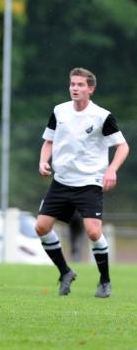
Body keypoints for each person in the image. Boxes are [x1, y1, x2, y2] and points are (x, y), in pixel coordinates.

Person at [36, 67, 129, 298]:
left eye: (80, 85)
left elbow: (123, 146)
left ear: (90, 89)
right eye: (72, 84)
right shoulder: (60, 111)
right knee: (41, 227)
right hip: (62, 181)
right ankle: (65, 272)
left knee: (93, 231)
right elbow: (49, 140)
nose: (75, 88)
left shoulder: (101, 116)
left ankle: (105, 280)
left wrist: (112, 169)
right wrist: (42, 161)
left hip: (89, 182)